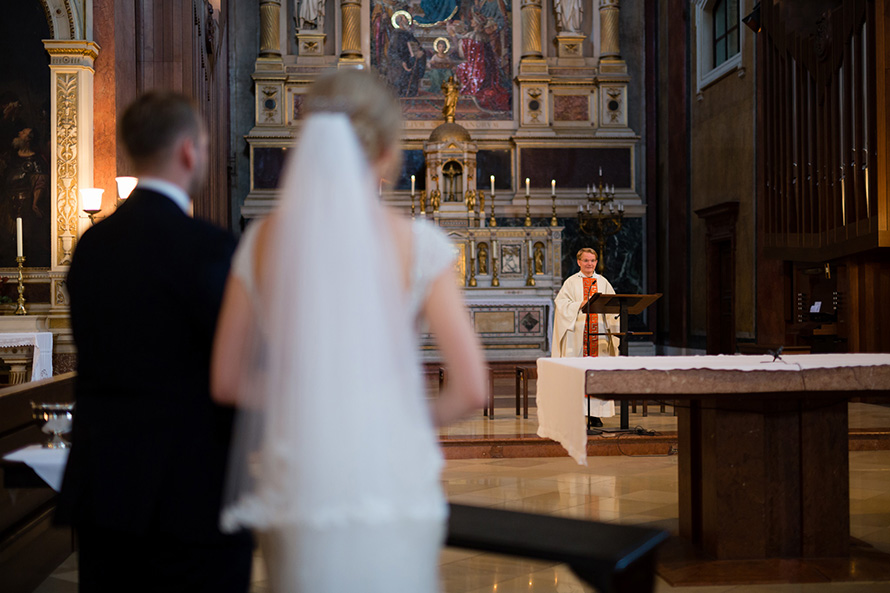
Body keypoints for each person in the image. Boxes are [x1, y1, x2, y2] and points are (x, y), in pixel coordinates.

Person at [211, 69, 487, 593]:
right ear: (387, 154)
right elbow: (472, 388)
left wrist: (309, 405)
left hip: (298, 479)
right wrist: (396, 419)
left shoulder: (263, 241)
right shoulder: (420, 243)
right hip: (391, 476)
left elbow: (227, 381)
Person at [56, 91, 253, 593]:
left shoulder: (91, 248)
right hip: (193, 491)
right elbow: (238, 367)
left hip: (105, 489)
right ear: (189, 150)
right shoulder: (211, 248)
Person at [551, 247, 619, 427]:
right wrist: (578, 305)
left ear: (596, 262)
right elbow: (561, 304)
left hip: (600, 335)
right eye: (586, 260)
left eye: (593, 260)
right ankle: (575, 412)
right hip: (577, 334)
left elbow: (614, 305)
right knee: (578, 373)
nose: (590, 264)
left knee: (599, 373)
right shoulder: (571, 283)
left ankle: (596, 414)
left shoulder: (603, 281)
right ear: (579, 262)